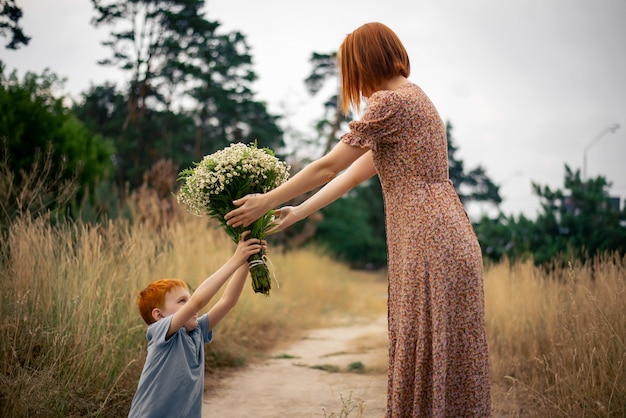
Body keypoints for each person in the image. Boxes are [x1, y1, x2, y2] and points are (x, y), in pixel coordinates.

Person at [225, 22, 490, 417]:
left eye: (351, 71)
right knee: (440, 356)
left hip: (428, 240)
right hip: (443, 235)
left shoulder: (391, 102)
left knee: (428, 351)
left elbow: (329, 165)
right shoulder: (414, 98)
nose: (353, 83)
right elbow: (352, 173)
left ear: (365, 63)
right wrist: (298, 210)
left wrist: (266, 201)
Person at [128, 231, 264, 418]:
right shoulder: (159, 332)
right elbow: (198, 302)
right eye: (182, 301)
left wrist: (247, 261)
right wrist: (235, 258)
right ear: (159, 315)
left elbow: (227, 302)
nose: (190, 305)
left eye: (188, 299)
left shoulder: (196, 332)